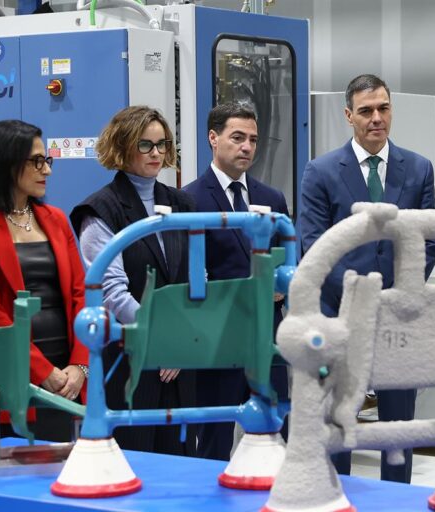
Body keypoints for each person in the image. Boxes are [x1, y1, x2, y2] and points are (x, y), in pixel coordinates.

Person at [297, 73, 435, 483]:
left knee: (399, 428)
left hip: (400, 316)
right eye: (366, 111)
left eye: (383, 108)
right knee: (339, 420)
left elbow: (429, 241)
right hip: (340, 315)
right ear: (348, 115)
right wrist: (361, 298)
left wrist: (398, 294)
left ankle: (399, 501)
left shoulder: (418, 168)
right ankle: (337, 497)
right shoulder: (321, 171)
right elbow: (314, 245)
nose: (376, 118)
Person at [70, 106, 196, 456]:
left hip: (180, 364)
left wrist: (182, 342)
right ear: (122, 147)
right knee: (135, 466)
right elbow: (112, 293)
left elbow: (195, 279)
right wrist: (161, 340)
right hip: (129, 365)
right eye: (145, 145)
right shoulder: (99, 210)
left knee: (183, 470)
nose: (156, 153)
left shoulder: (183, 204)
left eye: (162, 144)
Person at [0, 119, 88, 441]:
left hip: (67, 373)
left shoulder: (55, 219)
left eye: (47, 160)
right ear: (6, 164)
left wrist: (79, 367)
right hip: (10, 374)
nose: (47, 170)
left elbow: (81, 294)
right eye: (37, 161)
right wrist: (44, 373)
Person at [183, 102, 290, 461]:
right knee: (213, 437)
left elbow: (287, 256)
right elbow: (186, 271)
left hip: (266, 334)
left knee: (277, 429)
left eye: (253, 140)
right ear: (213, 138)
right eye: (237, 138)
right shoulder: (190, 199)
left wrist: (280, 284)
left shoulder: (272, 198)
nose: (246, 147)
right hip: (217, 338)